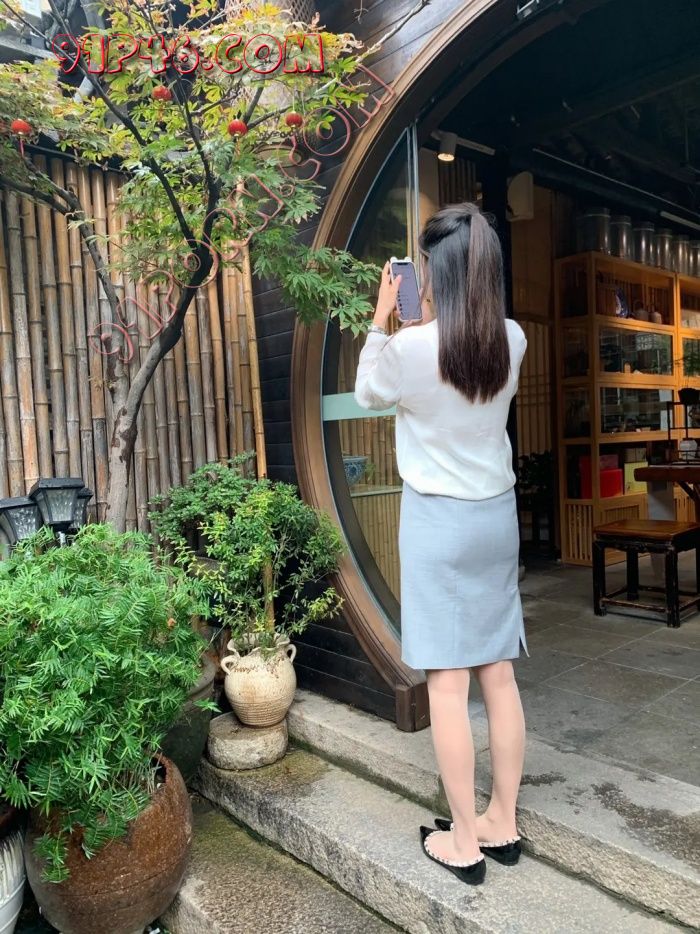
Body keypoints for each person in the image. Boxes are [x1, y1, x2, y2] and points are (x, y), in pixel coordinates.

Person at [354, 202, 528, 887]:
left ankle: (463, 839)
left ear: (437, 274)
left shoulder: (410, 349)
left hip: (437, 522)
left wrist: (381, 319)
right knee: (498, 674)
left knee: (448, 685)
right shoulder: (512, 339)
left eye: (424, 268)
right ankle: (502, 820)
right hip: (497, 519)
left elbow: (368, 392)